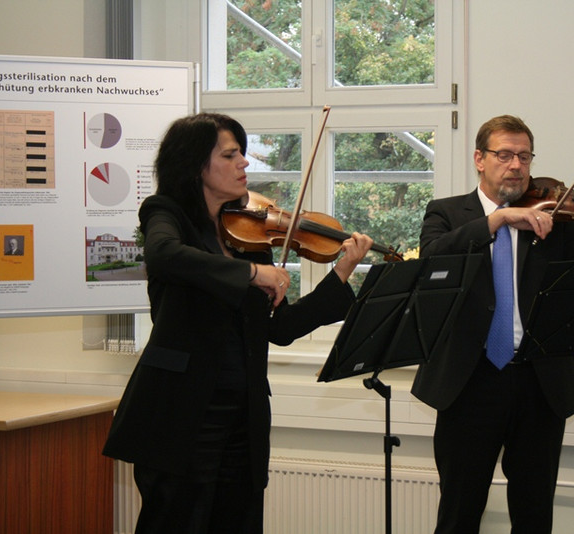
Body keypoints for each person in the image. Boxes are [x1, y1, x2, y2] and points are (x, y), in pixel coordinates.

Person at [103, 112, 374, 534]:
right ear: (195, 164)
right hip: (181, 413)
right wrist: (251, 275)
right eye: (230, 155)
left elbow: (279, 329)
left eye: (243, 154)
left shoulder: (249, 234)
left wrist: (341, 273)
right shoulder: (166, 214)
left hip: (240, 416)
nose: (244, 163)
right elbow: (163, 255)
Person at [411, 115, 574, 533]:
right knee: (459, 512)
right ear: (479, 159)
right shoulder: (449, 213)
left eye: (524, 156)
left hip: (539, 384)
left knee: (534, 514)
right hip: (470, 383)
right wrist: (499, 220)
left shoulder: (555, 220)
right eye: (504, 154)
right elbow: (433, 256)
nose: (516, 165)